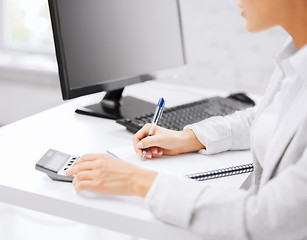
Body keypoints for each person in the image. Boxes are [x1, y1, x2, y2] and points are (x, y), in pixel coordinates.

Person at [66, 0, 307, 239]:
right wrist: (190, 138)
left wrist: (136, 180)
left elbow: (266, 219)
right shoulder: (295, 53)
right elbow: (268, 116)